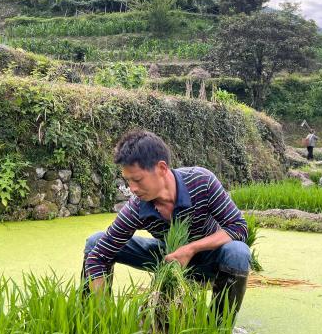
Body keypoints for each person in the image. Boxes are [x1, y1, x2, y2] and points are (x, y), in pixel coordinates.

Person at [83, 129, 250, 321]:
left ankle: (218, 330)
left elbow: (238, 227)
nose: (132, 189)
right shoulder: (137, 207)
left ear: (162, 168)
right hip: (168, 258)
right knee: (95, 243)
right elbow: (98, 257)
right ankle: (92, 324)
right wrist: (101, 309)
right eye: (128, 181)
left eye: (137, 179)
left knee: (238, 252)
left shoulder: (201, 181)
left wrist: (191, 249)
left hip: (208, 260)